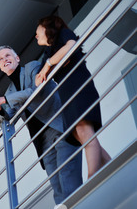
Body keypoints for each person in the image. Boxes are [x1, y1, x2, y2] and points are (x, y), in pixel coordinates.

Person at [0, 45, 82, 204]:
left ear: (17, 59)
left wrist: (2, 100)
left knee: (69, 178)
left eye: (8, 55)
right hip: (42, 142)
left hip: (59, 126)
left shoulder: (33, 67)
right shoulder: (9, 93)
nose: (5, 59)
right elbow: (7, 120)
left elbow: (34, 92)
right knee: (58, 191)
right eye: (1, 59)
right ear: (1, 68)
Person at [34, 15, 111, 179]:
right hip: (67, 96)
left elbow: (71, 46)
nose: (35, 35)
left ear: (47, 27)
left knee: (84, 130)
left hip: (79, 87)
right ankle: (114, 167)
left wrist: (48, 65)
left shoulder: (64, 34)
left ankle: (92, 178)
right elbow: (38, 81)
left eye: (38, 30)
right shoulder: (48, 52)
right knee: (82, 135)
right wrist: (45, 67)